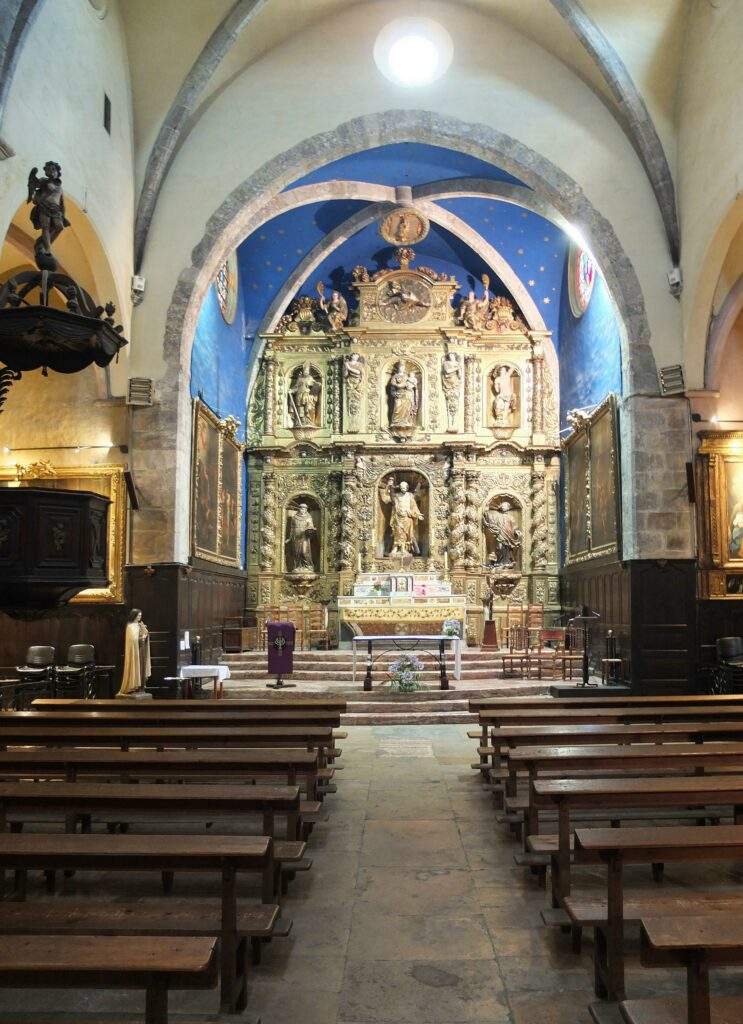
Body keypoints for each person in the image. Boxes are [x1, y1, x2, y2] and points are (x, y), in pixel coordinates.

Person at [380, 479, 425, 555]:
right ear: (400, 488)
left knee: (406, 534)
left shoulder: (410, 496)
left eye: (405, 488)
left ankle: (403, 549)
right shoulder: (396, 496)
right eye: (402, 488)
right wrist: (389, 486)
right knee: (397, 532)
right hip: (398, 517)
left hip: (407, 517)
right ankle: (395, 548)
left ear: (407, 488)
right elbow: (388, 498)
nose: (403, 489)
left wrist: (418, 515)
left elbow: (414, 507)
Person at [117, 608, 151, 697]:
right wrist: (142, 637)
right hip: (134, 652)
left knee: (142, 668)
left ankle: (141, 687)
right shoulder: (130, 626)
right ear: (134, 615)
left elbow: (145, 635)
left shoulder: (139, 625)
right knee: (135, 668)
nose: (140, 617)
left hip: (141, 651)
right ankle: (133, 686)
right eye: (138, 615)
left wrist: (145, 633)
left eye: (141, 615)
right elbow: (132, 640)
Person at [286, 502, 316, 573]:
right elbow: (292, 529)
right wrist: (290, 538)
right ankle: (297, 566)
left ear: (306, 510)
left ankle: (308, 566)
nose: (303, 510)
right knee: (296, 552)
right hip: (295, 537)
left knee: (304, 552)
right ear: (299, 509)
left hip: (304, 537)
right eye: (301, 508)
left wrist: (310, 529)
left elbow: (310, 527)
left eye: (304, 509)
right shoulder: (294, 518)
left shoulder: (309, 518)